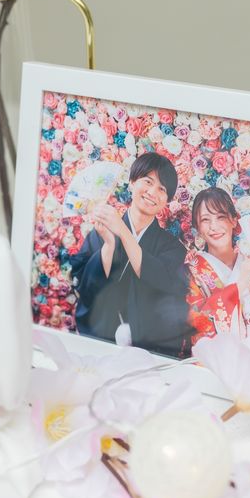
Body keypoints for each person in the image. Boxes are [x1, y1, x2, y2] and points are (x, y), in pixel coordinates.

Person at [71, 152, 192, 358]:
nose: (152, 192)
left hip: (146, 351)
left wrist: (122, 232)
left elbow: (162, 283)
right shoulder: (101, 232)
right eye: (148, 182)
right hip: (99, 342)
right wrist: (109, 245)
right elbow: (86, 289)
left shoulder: (172, 247)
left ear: (167, 200)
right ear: (132, 183)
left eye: (162, 189)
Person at [186, 187, 250, 357]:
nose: (214, 226)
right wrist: (239, 285)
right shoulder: (192, 271)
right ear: (197, 227)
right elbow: (196, 327)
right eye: (205, 219)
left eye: (221, 217)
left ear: (234, 220)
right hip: (219, 364)